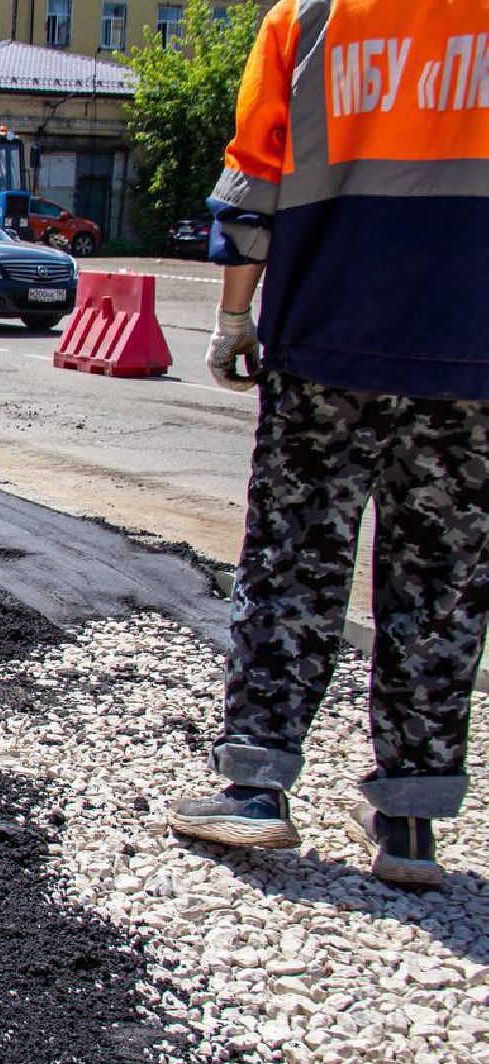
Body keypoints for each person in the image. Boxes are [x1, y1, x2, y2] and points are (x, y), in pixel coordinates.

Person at [166, 0, 489, 889]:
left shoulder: (309, 19)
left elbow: (250, 183)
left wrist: (232, 318)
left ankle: (256, 788)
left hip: (326, 339)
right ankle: (410, 820)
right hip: (471, 355)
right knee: (444, 581)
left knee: (294, 558)